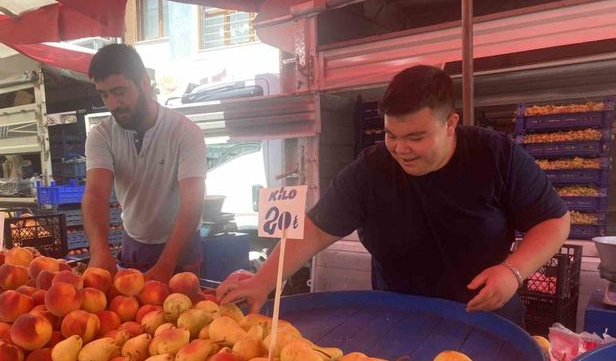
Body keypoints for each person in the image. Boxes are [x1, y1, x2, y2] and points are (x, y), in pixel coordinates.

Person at [217, 65, 570, 325]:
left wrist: (513, 271)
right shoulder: (371, 170)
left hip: (484, 318)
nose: (401, 149)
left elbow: (554, 221)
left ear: (451, 124)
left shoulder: (497, 156)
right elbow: (315, 230)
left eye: (416, 137)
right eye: (391, 134)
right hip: (398, 319)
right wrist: (263, 280)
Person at [83, 44, 206, 283]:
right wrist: (99, 250)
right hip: (134, 242)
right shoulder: (101, 135)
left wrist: (167, 264)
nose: (113, 104)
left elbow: (192, 203)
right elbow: (96, 194)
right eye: (104, 94)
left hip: (181, 244)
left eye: (120, 91)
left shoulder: (185, 132)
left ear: (144, 83)